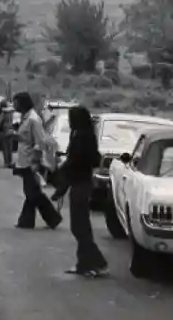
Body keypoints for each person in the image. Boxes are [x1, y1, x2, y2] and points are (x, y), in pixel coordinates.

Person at [51, 106, 108, 278]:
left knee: (79, 226)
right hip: (80, 182)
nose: (69, 121)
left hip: (81, 183)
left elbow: (76, 161)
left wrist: (61, 179)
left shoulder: (82, 137)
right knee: (80, 225)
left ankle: (94, 262)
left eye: (71, 117)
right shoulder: (80, 134)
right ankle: (85, 262)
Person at [13, 92, 62, 230]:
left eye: (16, 102)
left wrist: (35, 162)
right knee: (31, 192)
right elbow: (27, 138)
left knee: (32, 193)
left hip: (30, 161)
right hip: (24, 160)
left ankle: (51, 218)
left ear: (22, 103)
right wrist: (16, 137)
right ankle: (28, 221)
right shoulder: (25, 118)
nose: (14, 105)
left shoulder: (33, 119)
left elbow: (40, 142)